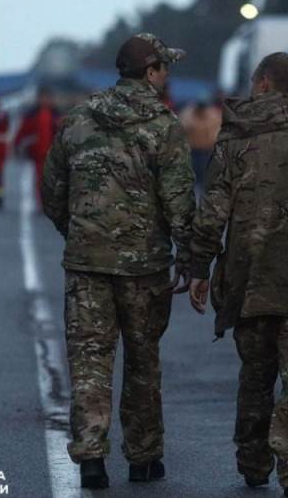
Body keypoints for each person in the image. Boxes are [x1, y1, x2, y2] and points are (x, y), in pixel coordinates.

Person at [41, 33, 195, 490]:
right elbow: (179, 200)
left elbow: (52, 189)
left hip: (87, 264)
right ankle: (144, 457)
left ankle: (91, 458)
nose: (167, 74)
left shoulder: (78, 118)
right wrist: (189, 256)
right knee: (143, 361)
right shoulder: (163, 125)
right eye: (164, 66)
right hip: (144, 267)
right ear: (150, 72)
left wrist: (77, 232)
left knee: (90, 362)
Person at [188, 53, 288, 498]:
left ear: (260, 84)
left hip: (249, 276)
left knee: (256, 371)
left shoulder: (236, 136)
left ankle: (253, 459)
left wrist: (198, 267)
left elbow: (214, 208)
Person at [15, 88, 59, 202]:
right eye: (42, 98)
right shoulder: (31, 115)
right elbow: (22, 132)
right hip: (38, 152)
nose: (44, 100)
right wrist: (16, 146)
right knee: (41, 178)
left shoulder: (56, 115)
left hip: (54, 152)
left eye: (47, 98)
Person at [179, 95, 222, 186]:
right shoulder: (188, 113)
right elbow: (182, 128)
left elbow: (217, 133)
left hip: (207, 151)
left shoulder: (213, 115)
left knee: (205, 175)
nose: (201, 109)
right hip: (192, 150)